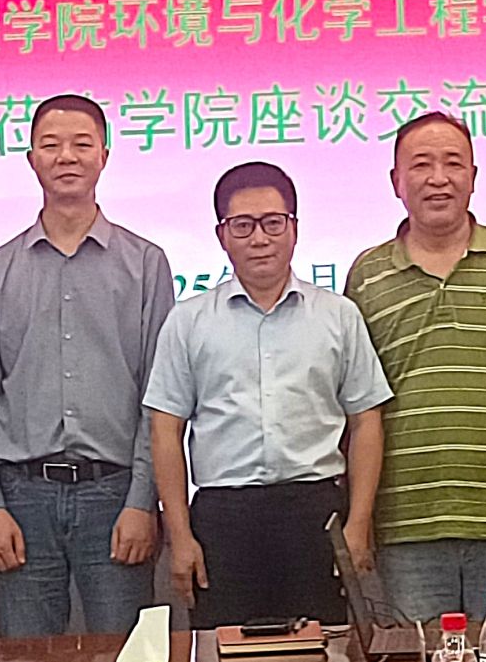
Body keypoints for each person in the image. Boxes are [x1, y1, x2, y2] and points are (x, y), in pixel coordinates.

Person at [345, 111, 486, 623]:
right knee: (419, 656)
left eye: (453, 163)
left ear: (473, 177)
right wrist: (359, 515)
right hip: (408, 523)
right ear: (396, 181)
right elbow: (359, 406)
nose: (438, 178)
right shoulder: (367, 274)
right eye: (421, 165)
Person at [0, 94, 175, 637]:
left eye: (82, 144)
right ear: (31, 158)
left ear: (105, 155)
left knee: (126, 652)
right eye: (51, 145)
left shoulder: (146, 265)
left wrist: (142, 500)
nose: (67, 156)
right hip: (21, 499)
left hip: (115, 495)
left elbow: (159, 399)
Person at [145, 162, 394, 628]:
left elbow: (366, 422)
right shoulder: (188, 321)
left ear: (294, 229)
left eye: (273, 223)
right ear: (222, 236)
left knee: (321, 647)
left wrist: (359, 523)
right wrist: (179, 536)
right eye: (243, 225)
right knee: (225, 649)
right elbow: (165, 430)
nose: (259, 238)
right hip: (223, 518)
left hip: (315, 514)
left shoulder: (338, 316)